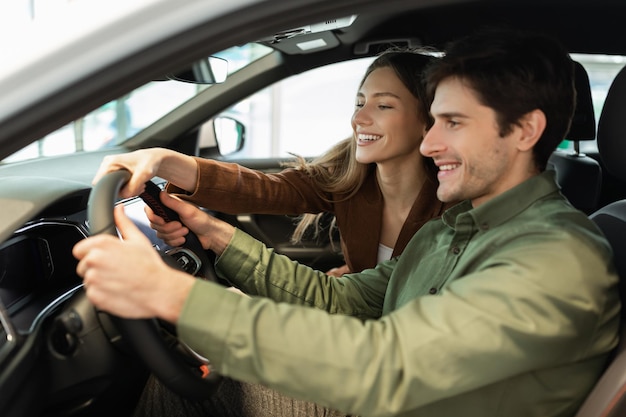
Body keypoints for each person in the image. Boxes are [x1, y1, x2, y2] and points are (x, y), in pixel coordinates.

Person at [73, 27, 620, 417]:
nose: (431, 143)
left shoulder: (551, 257)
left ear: (525, 130)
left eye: (451, 122)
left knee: (195, 389)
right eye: (433, 122)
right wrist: (216, 235)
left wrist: (173, 298)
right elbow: (343, 301)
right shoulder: (453, 231)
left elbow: (389, 368)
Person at [91, 48, 450, 277]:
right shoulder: (349, 174)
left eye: (383, 105)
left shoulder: (459, 202)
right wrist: (161, 160)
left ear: (427, 121)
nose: (359, 119)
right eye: (359, 103)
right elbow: (264, 189)